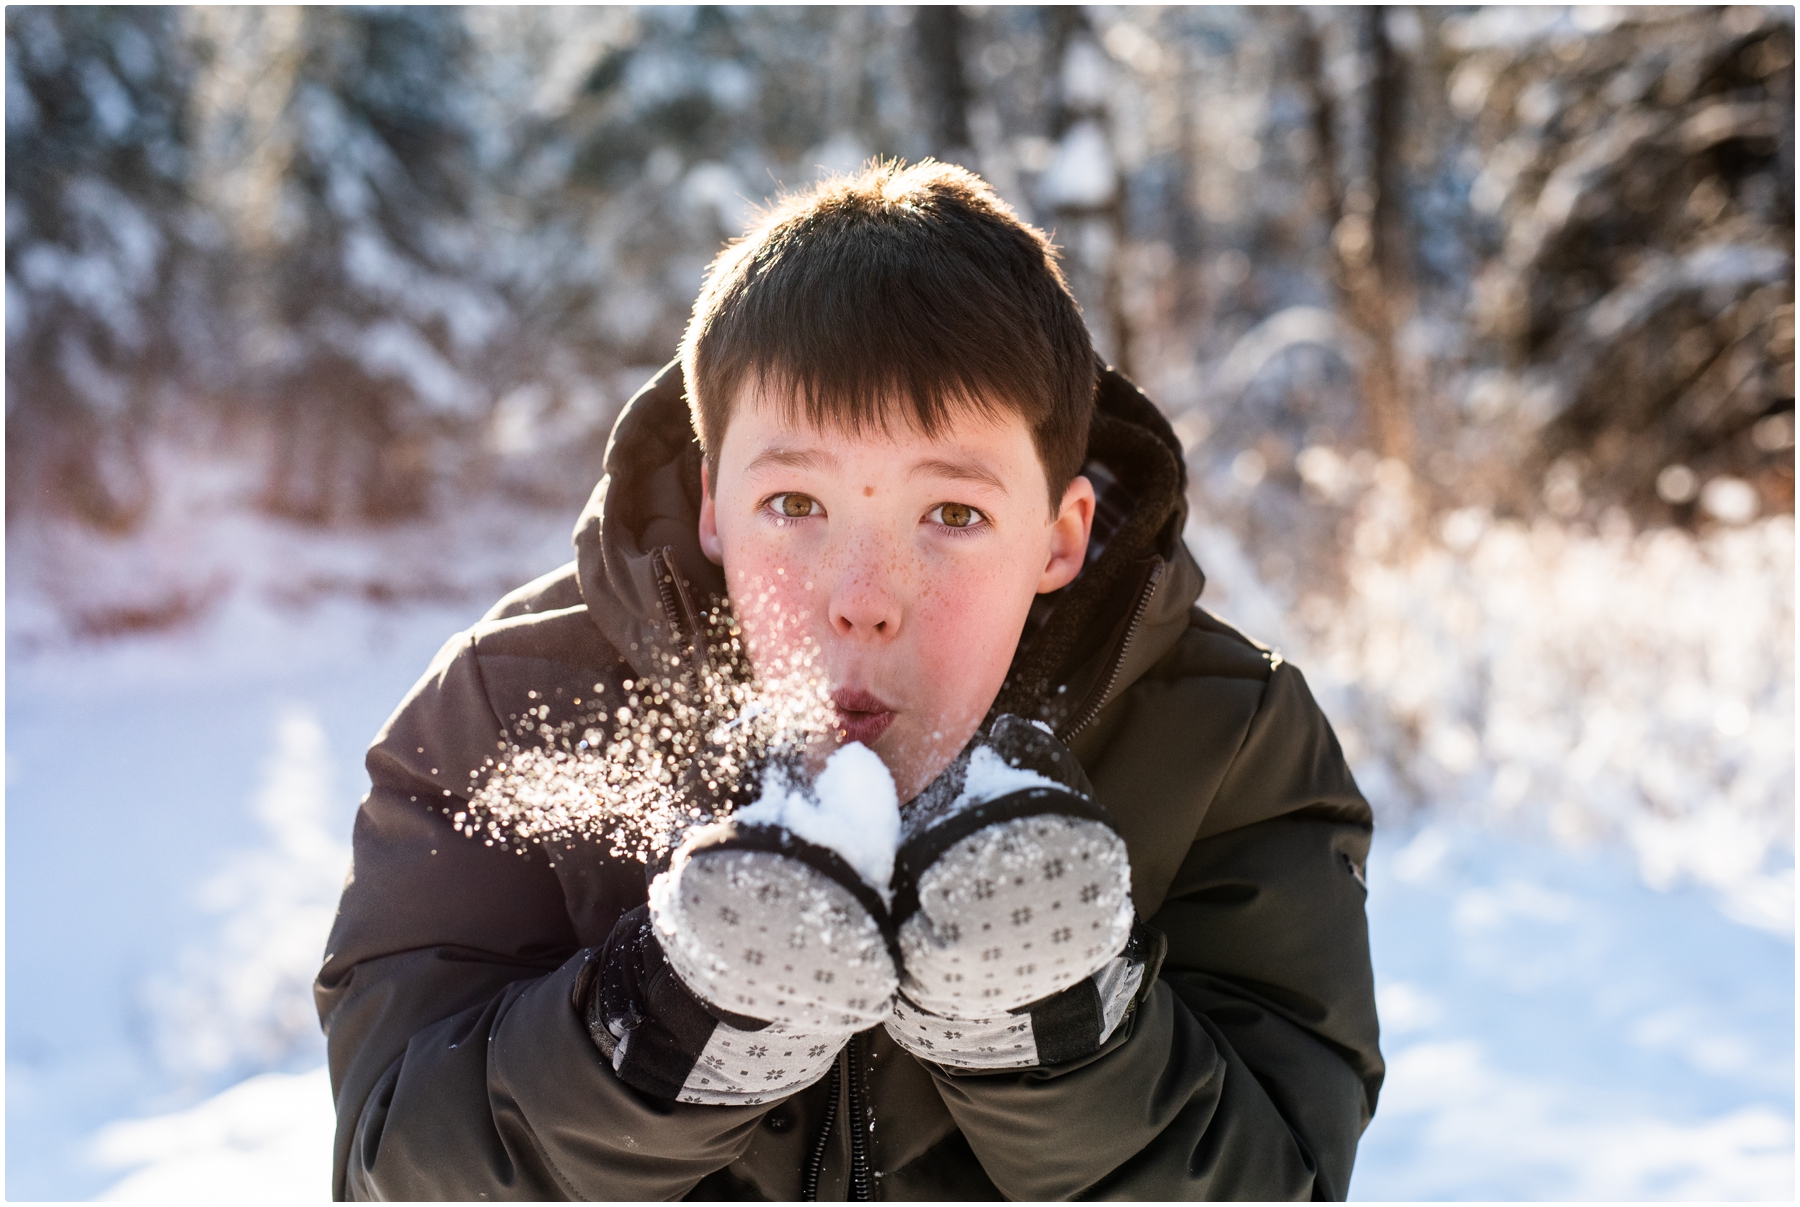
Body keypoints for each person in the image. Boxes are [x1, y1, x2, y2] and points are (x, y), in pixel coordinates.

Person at [316, 159, 1382, 1201]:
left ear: (1060, 537)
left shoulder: (1228, 739)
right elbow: (396, 1169)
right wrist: (670, 1028)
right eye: (795, 505)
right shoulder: (510, 712)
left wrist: (1053, 1032)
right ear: (712, 507)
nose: (863, 598)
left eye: (952, 515)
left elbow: (1278, 1177)